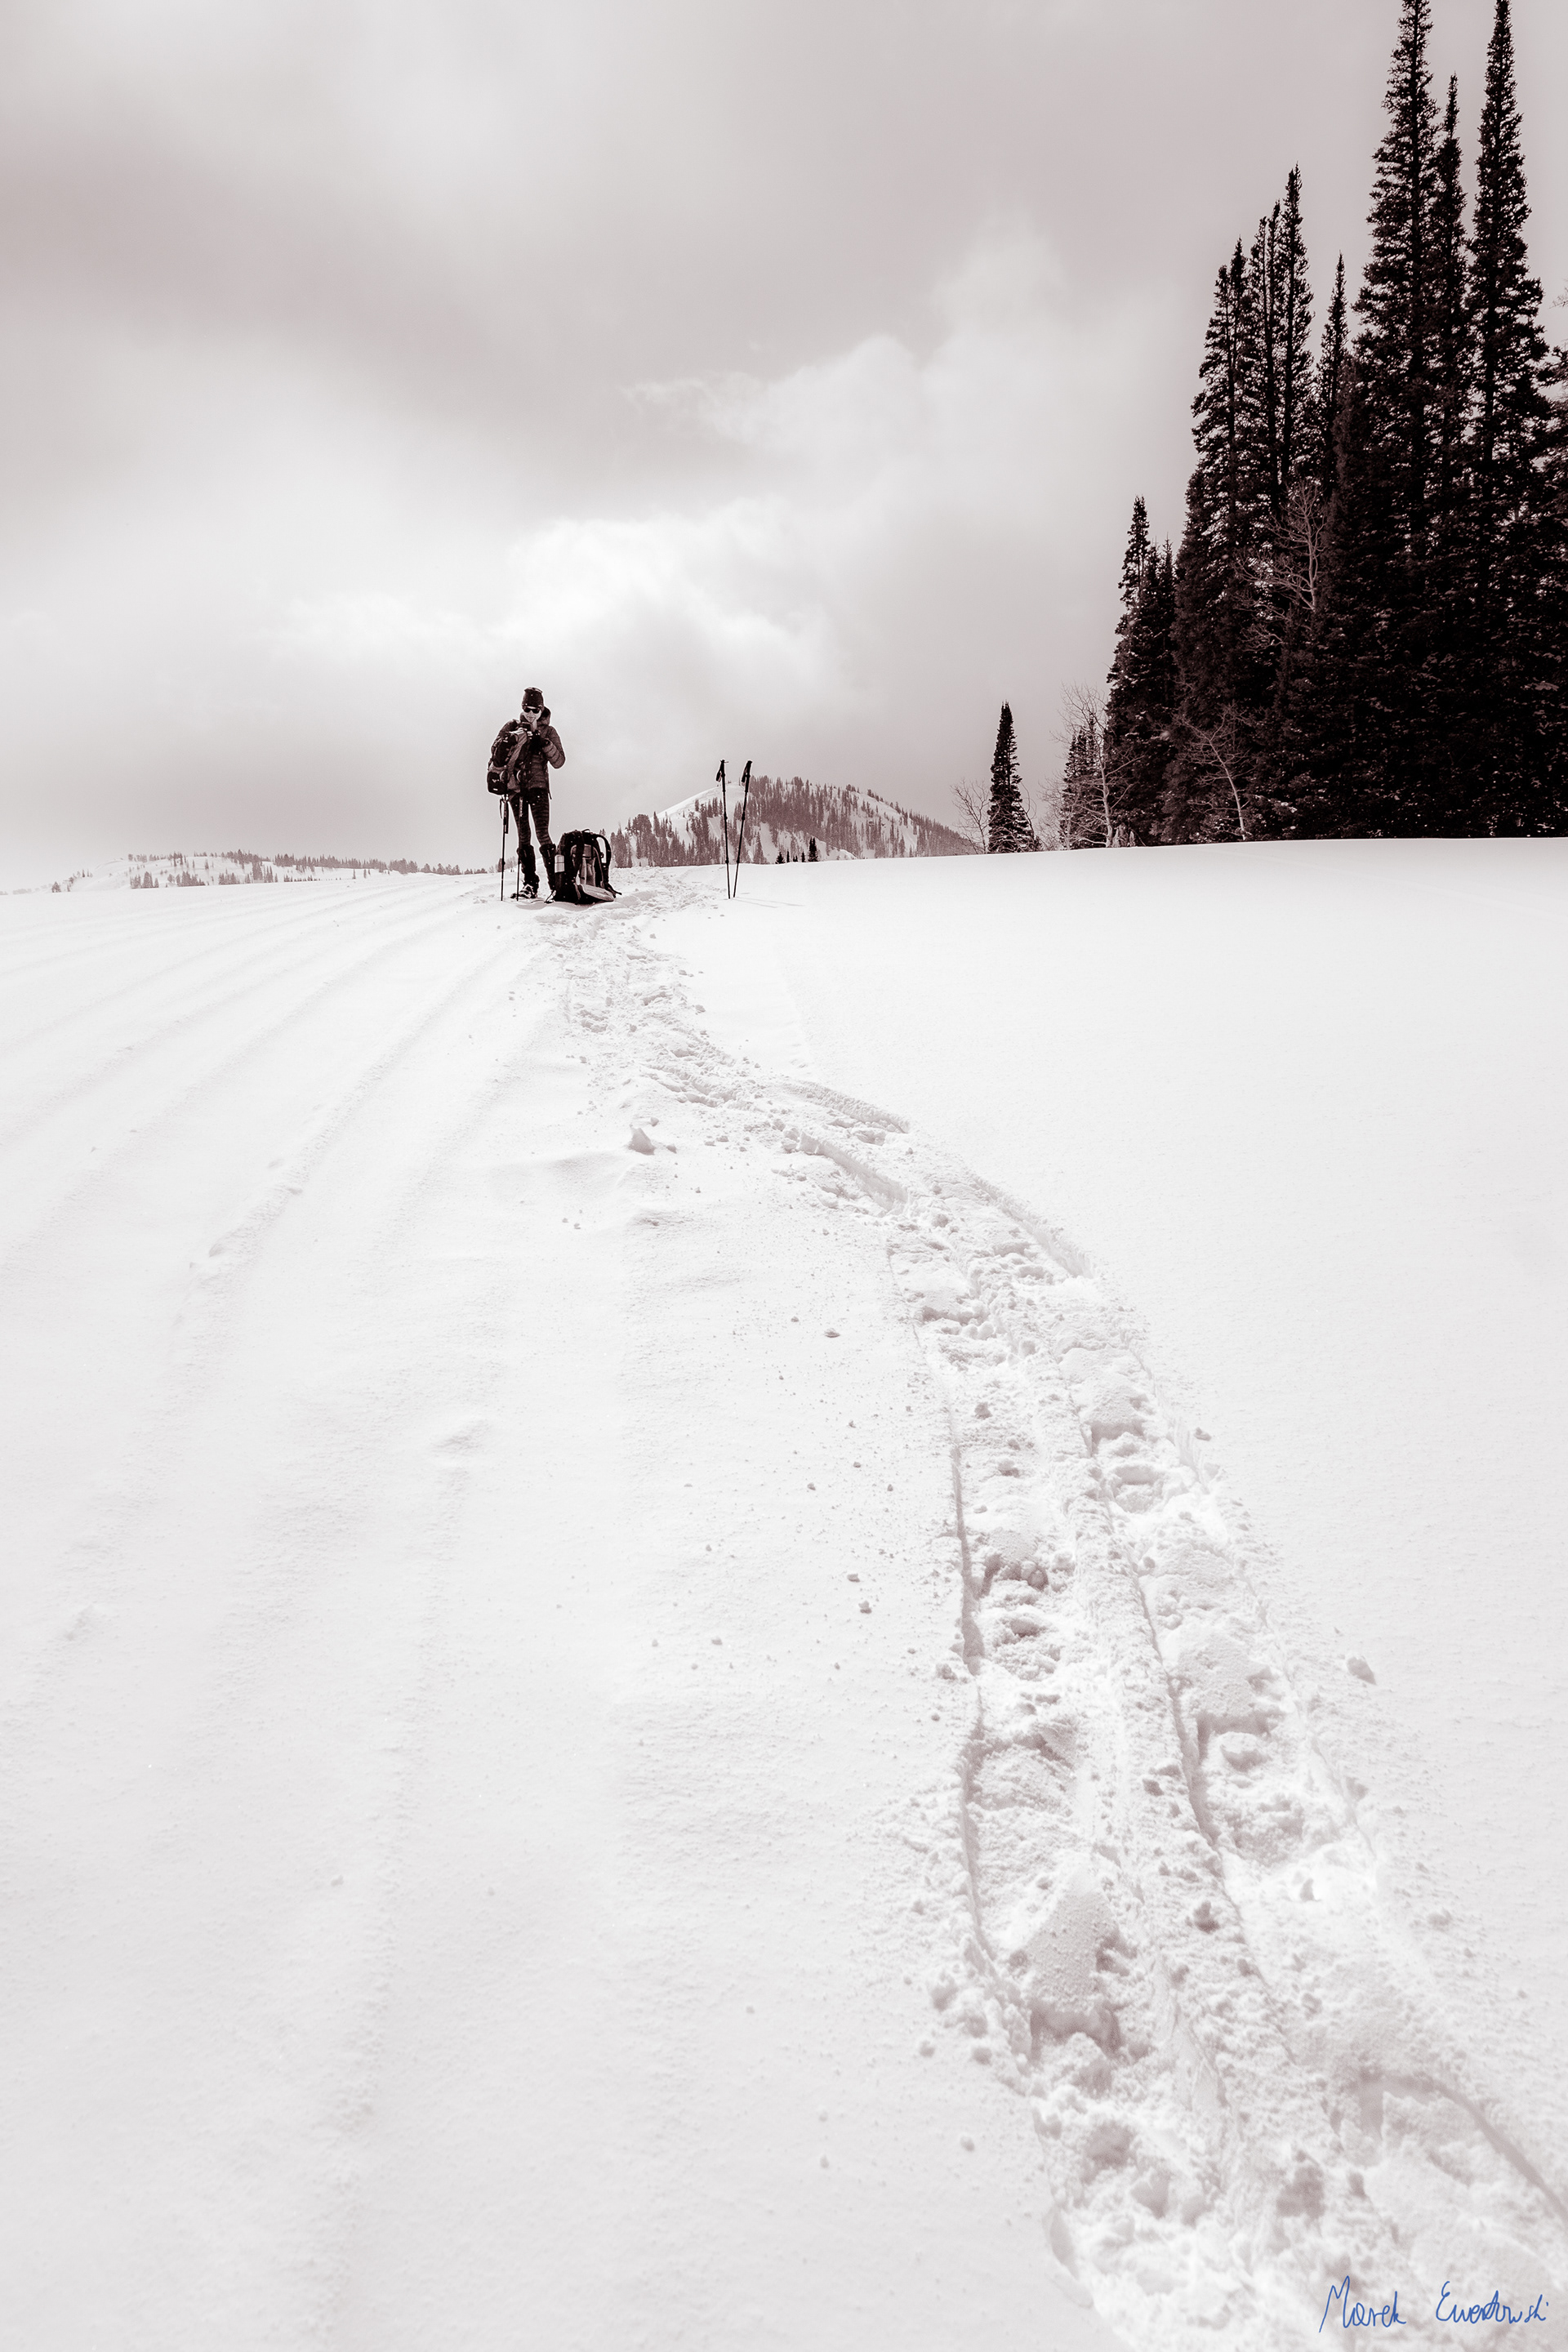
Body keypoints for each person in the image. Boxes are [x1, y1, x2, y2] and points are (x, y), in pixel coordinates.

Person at [488, 687, 565, 898]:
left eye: (535, 710)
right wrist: (511, 741)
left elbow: (559, 761)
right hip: (516, 789)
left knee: (542, 834)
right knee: (523, 837)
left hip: (538, 788)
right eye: (527, 709)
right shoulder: (512, 727)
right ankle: (530, 885)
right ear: (522, 708)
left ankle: (556, 885)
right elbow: (495, 753)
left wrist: (544, 744)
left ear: (542, 709)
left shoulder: (549, 732)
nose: (530, 713)